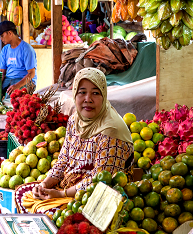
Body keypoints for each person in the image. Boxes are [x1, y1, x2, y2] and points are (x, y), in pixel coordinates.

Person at [32, 67, 134, 200]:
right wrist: (44, 184)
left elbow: (101, 180)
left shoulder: (111, 131)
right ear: (75, 94)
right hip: (70, 187)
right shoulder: (76, 119)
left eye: (96, 93)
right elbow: (63, 159)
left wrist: (62, 194)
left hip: (98, 198)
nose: (88, 99)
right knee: (25, 194)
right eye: (82, 92)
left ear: (104, 95)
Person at [0, 21, 37, 98]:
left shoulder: (27, 49)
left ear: (10, 33)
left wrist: (16, 86)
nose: (1, 39)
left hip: (24, 81)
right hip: (9, 79)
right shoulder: (5, 50)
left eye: (2, 36)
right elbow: (2, 72)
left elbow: (31, 73)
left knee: (10, 98)